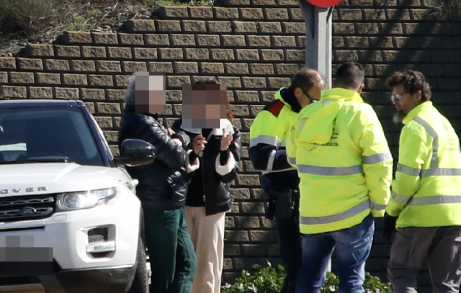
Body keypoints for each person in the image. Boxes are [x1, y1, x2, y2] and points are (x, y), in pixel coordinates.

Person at [286, 62, 392, 293]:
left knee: (308, 281)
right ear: (360, 88)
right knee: (351, 282)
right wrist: (379, 205)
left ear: (334, 84)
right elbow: (380, 163)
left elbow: (293, 158)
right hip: (353, 212)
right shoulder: (362, 114)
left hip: (313, 212)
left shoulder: (307, 114)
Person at [383, 70, 461, 293]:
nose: (396, 102)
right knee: (447, 285)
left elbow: (407, 179)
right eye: (393, 97)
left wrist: (392, 211)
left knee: (401, 272)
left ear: (417, 95)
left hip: (420, 216)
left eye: (399, 96)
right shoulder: (444, 124)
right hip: (455, 216)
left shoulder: (415, 126)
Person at [249, 69, 325, 293]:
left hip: (313, 198)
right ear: (299, 92)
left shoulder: (313, 112)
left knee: (311, 269)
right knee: (298, 267)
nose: (318, 105)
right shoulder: (273, 114)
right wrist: (303, 155)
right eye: (314, 100)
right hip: (288, 199)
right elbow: (261, 159)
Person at [119, 72, 197, 293]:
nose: (163, 99)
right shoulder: (143, 122)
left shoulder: (148, 119)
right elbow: (177, 156)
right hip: (160, 203)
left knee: (188, 263)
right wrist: (181, 138)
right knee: (164, 274)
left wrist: (176, 138)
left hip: (172, 200)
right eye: (159, 94)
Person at [174, 79, 240, 293]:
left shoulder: (228, 130)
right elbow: (174, 167)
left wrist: (223, 151)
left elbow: (229, 175)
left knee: (208, 266)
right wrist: (193, 153)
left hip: (212, 207)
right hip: (183, 204)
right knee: (183, 263)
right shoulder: (181, 127)